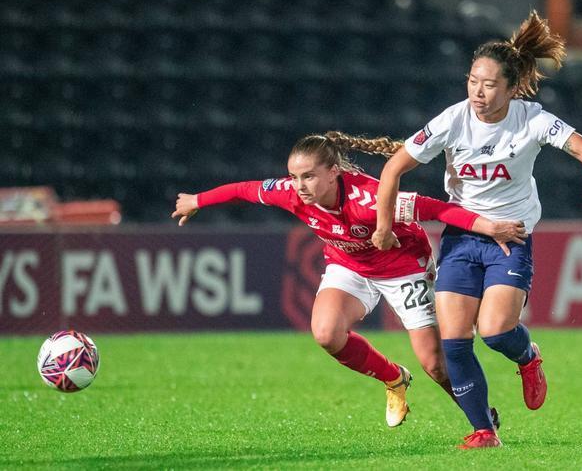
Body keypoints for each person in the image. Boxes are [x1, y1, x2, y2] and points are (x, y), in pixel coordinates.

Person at [372, 11, 582, 448]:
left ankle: (528, 356)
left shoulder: (531, 119)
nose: (478, 93)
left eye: (488, 85)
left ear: (510, 87)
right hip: (462, 236)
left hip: (510, 238)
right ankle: (483, 430)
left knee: (498, 331)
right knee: (455, 341)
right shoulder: (452, 119)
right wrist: (384, 225)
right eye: (472, 81)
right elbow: (392, 170)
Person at [172, 131, 526, 428]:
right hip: (349, 266)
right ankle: (393, 378)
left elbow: (436, 209)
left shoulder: (370, 199)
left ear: (334, 172)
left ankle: (481, 421)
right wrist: (197, 201)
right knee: (326, 334)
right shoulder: (291, 193)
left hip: (403, 267)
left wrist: (490, 227)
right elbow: (246, 189)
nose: (298, 185)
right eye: (294, 176)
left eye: (308, 176)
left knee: (435, 364)